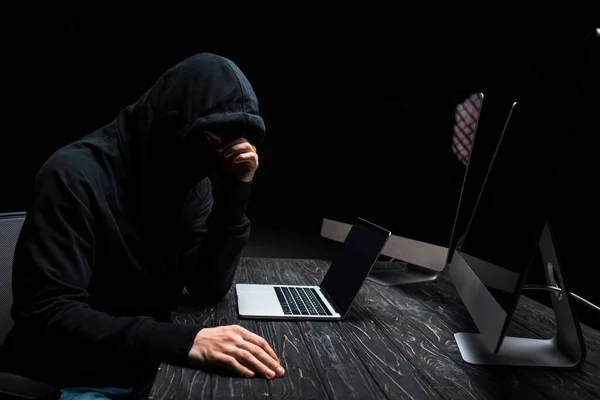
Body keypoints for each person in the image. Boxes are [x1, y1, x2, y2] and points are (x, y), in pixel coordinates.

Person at [1, 53, 285, 397]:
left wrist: (237, 190)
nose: (223, 154)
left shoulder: (191, 183)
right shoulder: (73, 175)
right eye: (214, 138)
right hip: (66, 375)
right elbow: (48, 313)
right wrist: (182, 341)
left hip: (142, 362)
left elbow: (206, 287)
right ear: (171, 121)